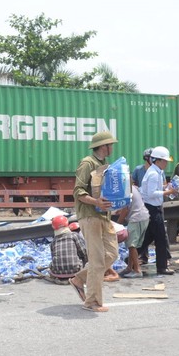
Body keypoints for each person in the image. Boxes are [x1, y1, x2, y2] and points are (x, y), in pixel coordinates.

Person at [68, 131, 120, 313]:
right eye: (110, 144)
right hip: (90, 216)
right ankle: (92, 302)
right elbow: (78, 192)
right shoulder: (87, 163)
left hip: (104, 216)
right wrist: (96, 202)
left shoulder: (103, 165)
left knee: (112, 254)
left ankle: (78, 279)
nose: (112, 147)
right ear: (104, 146)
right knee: (97, 260)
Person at [138, 146, 177, 275]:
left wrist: (166, 187)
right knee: (160, 238)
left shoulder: (156, 172)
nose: (166, 163)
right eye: (165, 161)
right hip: (153, 209)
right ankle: (162, 267)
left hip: (152, 208)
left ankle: (131, 257)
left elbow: (155, 188)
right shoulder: (154, 173)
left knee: (148, 237)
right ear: (158, 160)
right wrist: (168, 191)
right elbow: (152, 193)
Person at [116, 185, 149, 278]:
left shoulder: (125, 190)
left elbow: (125, 210)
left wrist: (116, 225)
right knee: (132, 245)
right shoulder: (132, 187)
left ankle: (137, 270)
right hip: (142, 217)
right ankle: (129, 267)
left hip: (136, 218)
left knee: (131, 245)